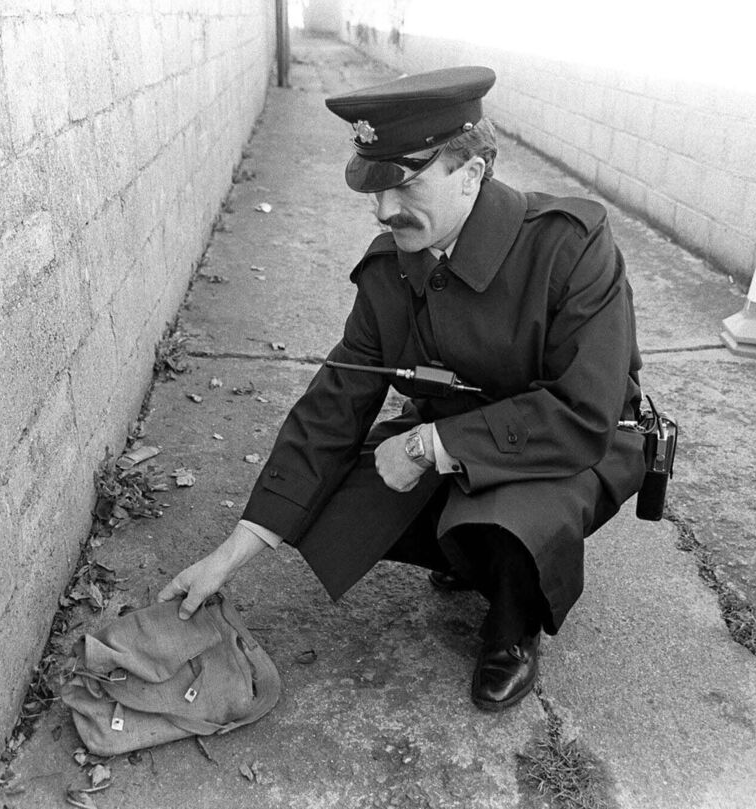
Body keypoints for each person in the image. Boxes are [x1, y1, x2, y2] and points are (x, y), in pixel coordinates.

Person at [158, 66, 646, 711]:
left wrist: (426, 446)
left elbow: (585, 410)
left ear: (471, 173)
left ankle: (512, 622)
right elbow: (334, 405)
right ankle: (468, 549)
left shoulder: (569, 247)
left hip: (570, 446)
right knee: (323, 500)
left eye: (406, 183)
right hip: (460, 436)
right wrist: (230, 553)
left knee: (517, 517)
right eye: (373, 186)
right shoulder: (393, 266)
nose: (384, 210)